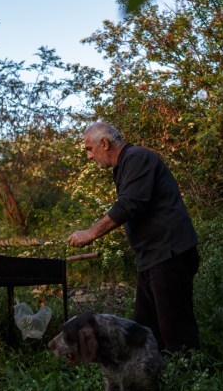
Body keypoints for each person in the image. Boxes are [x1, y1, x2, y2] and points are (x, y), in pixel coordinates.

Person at [67, 121, 200, 353]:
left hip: (169, 255)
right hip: (151, 259)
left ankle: (192, 377)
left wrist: (90, 233)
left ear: (104, 143)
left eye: (89, 149)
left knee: (176, 333)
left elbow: (129, 205)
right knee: (145, 333)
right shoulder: (124, 166)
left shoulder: (137, 157)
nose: (89, 156)